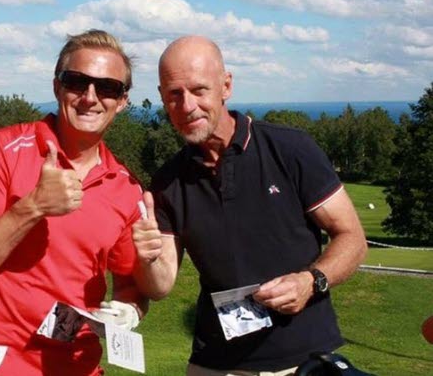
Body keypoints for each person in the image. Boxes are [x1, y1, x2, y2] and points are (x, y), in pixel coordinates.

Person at [132, 35, 367, 375]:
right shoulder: (167, 181)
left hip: (304, 360)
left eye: (199, 90)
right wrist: (148, 257)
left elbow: (352, 239)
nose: (187, 106)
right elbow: (160, 284)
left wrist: (310, 281)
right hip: (216, 363)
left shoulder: (289, 149)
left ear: (226, 86)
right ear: (162, 98)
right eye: (174, 94)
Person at [0, 29, 147, 375]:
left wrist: (129, 311)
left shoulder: (125, 187)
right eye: (76, 82)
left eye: (108, 88)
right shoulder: (0, 150)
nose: (90, 97)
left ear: (123, 101)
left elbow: (130, 285)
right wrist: (33, 206)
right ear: (57, 86)